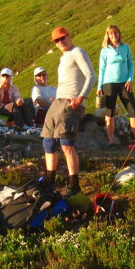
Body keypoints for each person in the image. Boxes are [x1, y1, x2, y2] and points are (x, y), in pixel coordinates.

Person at [41, 27, 95, 196]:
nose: (60, 42)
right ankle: (50, 181)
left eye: (62, 38)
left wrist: (81, 98)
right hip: (58, 101)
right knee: (48, 142)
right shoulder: (64, 57)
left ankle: (74, 184)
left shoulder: (77, 51)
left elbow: (91, 76)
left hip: (71, 102)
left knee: (66, 144)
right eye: (56, 40)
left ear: (69, 36)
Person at [97, 25, 135, 149]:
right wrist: (100, 86)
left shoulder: (125, 47)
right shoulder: (105, 50)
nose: (114, 35)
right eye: (111, 33)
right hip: (109, 83)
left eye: (115, 33)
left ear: (119, 34)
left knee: (132, 111)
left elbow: (131, 65)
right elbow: (102, 69)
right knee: (110, 112)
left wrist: (130, 79)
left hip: (124, 83)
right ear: (107, 36)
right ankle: (111, 142)